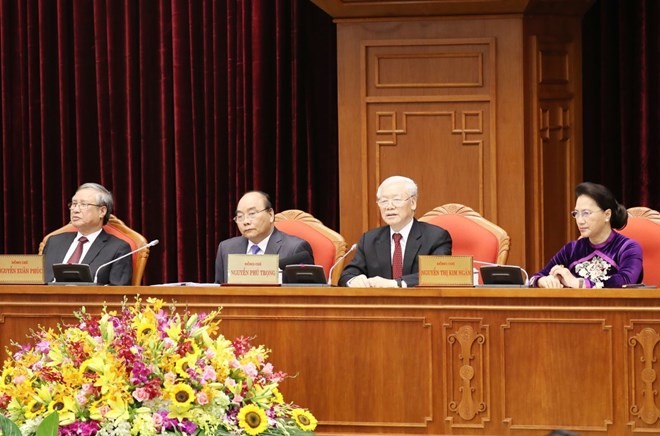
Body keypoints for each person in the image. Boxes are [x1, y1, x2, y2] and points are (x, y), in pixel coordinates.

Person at [339, 175, 452, 288]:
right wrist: (353, 281)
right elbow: (347, 275)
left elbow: (438, 274)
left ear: (413, 203)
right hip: (379, 304)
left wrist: (396, 284)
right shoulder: (369, 239)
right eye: (383, 201)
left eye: (396, 200)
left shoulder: (436, 237)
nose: (389, 206)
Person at [531, 182, 643, 288]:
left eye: (586, 213)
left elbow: (626, 280)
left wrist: (578, 283)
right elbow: (534, 278)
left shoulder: (628, 247)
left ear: (607, 215)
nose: (580, 221)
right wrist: (543, 281)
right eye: (576, 214)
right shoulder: (572, 250)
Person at [42, 183, 133, 285]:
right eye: (74, 204)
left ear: (102, 211)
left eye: (83, 204)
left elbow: (118, 293)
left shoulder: (118, 248)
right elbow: (38, 282)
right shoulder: (54, 242)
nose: (75, 210)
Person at [215, 191, 314, 284]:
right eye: (240, 216)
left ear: (270, 215)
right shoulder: (226, 249)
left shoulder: (295, 249)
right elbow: (217, 294)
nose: (245, 222)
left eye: (252, 214)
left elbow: (305, 296)